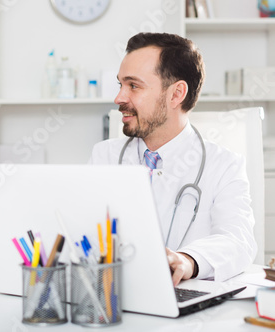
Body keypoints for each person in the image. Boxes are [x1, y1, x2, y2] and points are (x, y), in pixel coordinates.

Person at [89, 32, 257, 285]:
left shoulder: (224, 165)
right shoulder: (105, 156)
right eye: (120, 85)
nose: (119, 98)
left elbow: (238, 241)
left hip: (186, 304)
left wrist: (189, 260)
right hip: (114, 297)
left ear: (176, 94)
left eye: (133, 86)